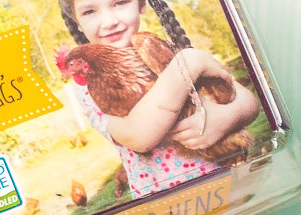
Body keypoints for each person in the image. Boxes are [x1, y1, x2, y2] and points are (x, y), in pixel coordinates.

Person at [60, 0, 261, 197]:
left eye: (120, 2)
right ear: (76, 21)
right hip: (167, 204)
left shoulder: (156, 47)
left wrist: (227, 117)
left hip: (227, 181)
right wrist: (187, 65)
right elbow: (138, 137)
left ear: (141, 5)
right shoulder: (89, 85)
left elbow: (246, 100)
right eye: (89, 11)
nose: (108, 21)